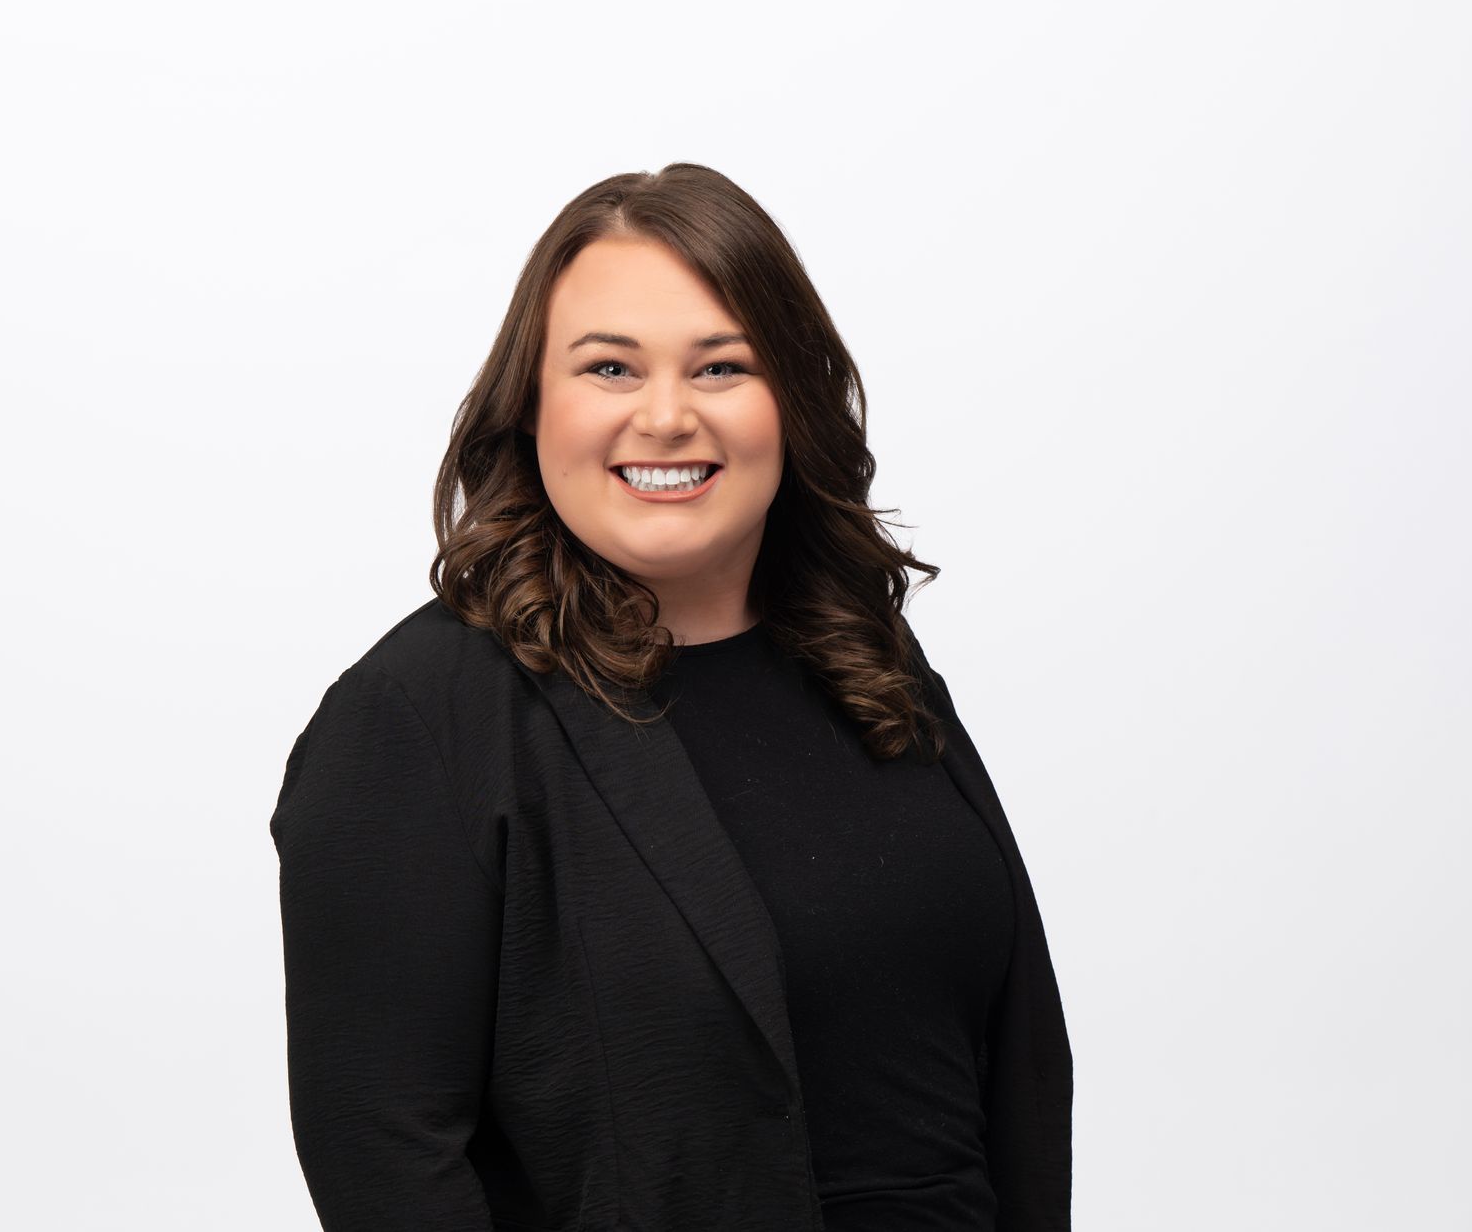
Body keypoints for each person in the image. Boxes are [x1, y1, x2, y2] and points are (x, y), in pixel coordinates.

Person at [270, 163, 1073, 1231]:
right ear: (530, 404)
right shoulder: (420, 718)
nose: (665, 415)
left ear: (789, 400)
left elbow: (998, 1073)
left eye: (722, 366)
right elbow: (384, 1155)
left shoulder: (869, 664)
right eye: (609, 366)